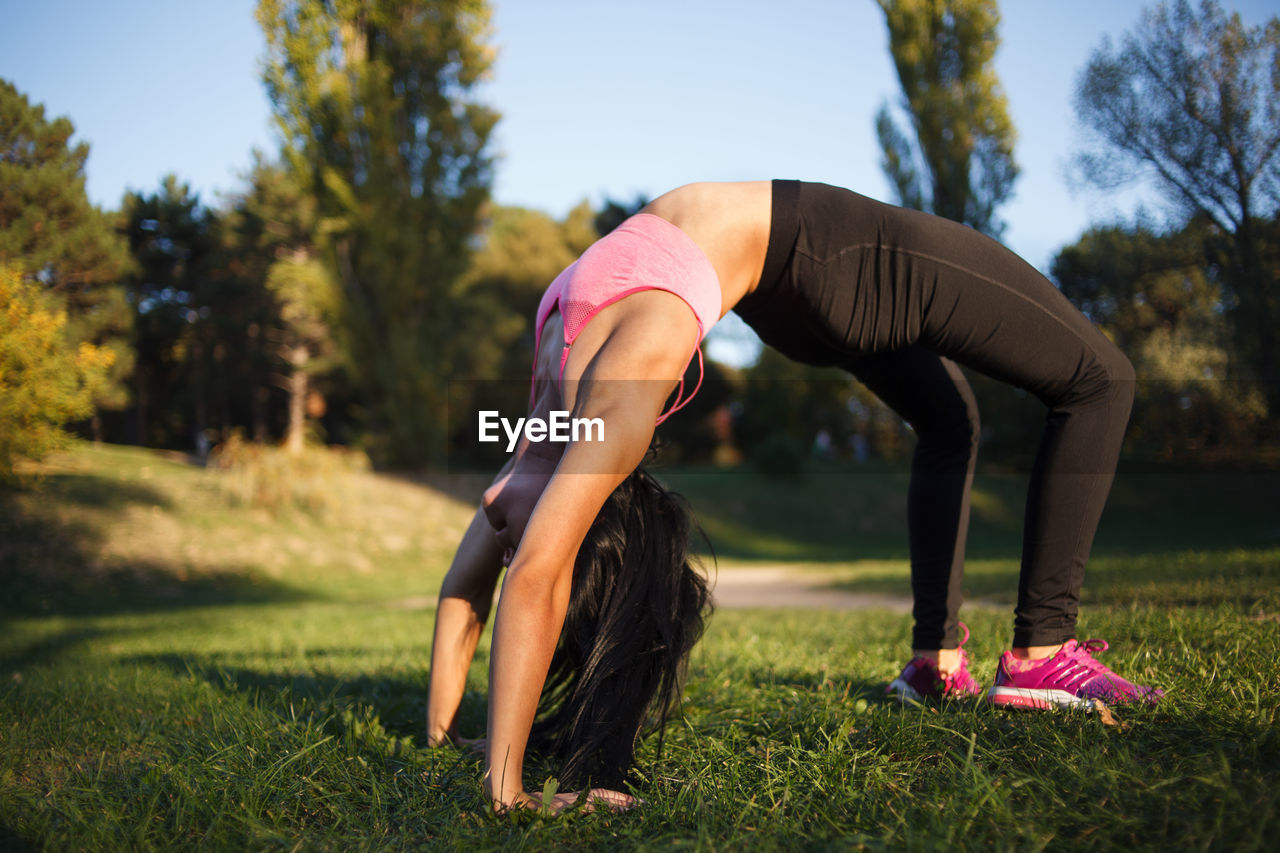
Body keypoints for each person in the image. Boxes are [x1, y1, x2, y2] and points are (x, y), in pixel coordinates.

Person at [425, 180, 1162, 813]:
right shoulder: (607, 403)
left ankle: (933, 663)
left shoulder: (542, 438)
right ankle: (1040, 651)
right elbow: (535, 579)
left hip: (793, 292)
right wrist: (507, 794)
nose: (501, 526)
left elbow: (466, 590)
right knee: (1102, 378)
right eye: (522, 535)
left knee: (950, 421)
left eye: (510, 533)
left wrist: (442, 734)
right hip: (830, 257)